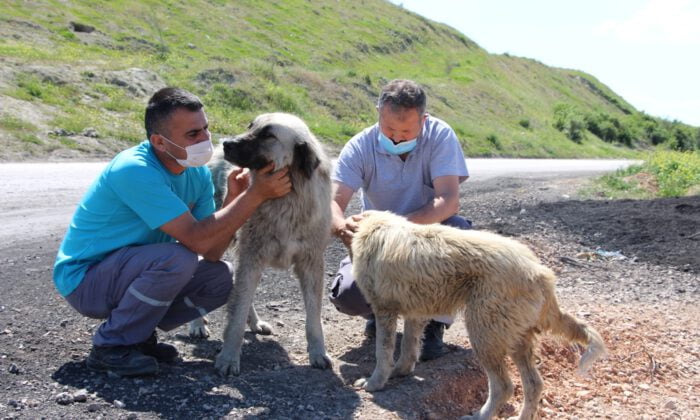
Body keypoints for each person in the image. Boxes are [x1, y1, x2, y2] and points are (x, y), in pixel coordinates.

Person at [53, 87, 291, 377]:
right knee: (176, 259)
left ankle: (136, 336)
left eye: (206, 129)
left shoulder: (197, 173)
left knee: (221, 277)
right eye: (193, 135)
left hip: (130, 272)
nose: (205, 140)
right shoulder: (134, 170)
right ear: (159, 142)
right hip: (86, 279)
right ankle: (110, 346)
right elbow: (195, 238)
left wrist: (233, 198)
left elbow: (212, 250)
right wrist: (253, 196)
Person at [329, 79, 471, 361]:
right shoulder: (360, 146)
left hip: (430, 236)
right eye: (389, 128)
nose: (395, 137)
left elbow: (448, 200)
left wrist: (397, 229)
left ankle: (433, 324)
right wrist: (341, 227)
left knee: (463, 242)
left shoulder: (440, 136)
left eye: (406, 130)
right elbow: (333, 202)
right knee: (348, 293)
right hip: (379, 246)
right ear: (378, 112)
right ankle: (380, 314)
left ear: (424, 120)